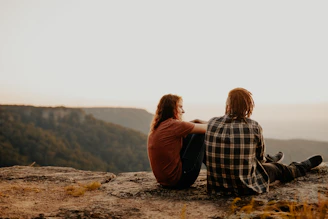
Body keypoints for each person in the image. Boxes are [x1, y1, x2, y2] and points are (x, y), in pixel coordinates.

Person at [205, 87, 323, 196]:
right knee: (279, 169)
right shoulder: (253, 126)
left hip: (217, 187)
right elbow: (259, 159)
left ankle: (271, 159)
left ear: (228, 105)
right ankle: (301, 166)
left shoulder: (212, 123)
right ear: (247, 107)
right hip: (245, 187)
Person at [147, 94, 208, 189]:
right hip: (180, 181)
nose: (183, 111)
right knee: (200, 135)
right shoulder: (174, 125)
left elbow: (188, 126)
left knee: (191, 133)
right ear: (172, 108)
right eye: (180, 107)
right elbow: (208, 128)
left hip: (165, 181)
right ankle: (218, 172)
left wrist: (196, 121)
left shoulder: (160, 125)